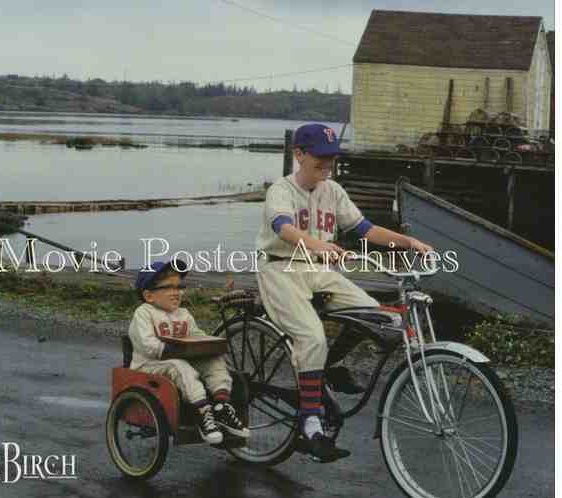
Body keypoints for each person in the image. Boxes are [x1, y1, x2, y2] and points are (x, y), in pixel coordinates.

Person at [255, 123, 433, 461]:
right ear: (299, 154)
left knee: (378, 317)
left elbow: (365, 229)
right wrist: (318, 245)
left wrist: (409, 242)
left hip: (318, 270)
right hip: (280, 269)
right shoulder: (281, 189)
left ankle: (324, 368)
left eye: (331, 159)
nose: (326, 165)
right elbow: (283, 227)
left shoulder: (332, 190)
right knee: (312, 338)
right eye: (319, 158)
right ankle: (310, 424)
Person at [129, 260, 250, 445]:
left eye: (179, 287)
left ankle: (221, 405)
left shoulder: (183, 314)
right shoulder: (144, 313)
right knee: (179, 365)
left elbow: (195, 334)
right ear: (149, 295)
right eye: (169, 287)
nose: (177, 292)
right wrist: (175, 349)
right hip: (149, 366)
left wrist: (207, 344)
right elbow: (148, 344)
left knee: (214, 360)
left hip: (180, 361)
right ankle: (202, 412)